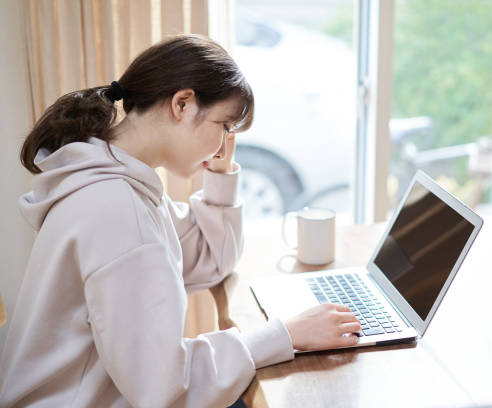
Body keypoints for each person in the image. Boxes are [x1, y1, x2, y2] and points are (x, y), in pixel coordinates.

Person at [0, 34, 361, 408]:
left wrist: (220, 173)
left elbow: (210, 260)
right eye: (224, 125)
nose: (225, 143)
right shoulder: (117, 209)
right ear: (183, 104)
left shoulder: (114, 179)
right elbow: (165, 389)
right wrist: (286, 334)